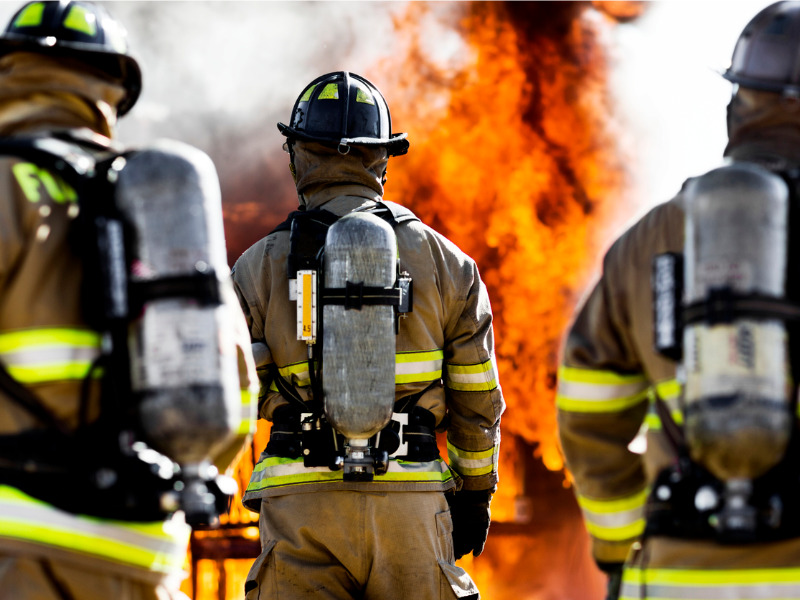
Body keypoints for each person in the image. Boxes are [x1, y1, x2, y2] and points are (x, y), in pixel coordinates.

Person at [0, 2, 256, 599]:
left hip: (17, 551)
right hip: (146, 559)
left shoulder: (5, 183)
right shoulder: (157, 204)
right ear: (112, 89)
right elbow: (236, 396)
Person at [556, 2, 800, 599]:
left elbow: (589, 413)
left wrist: (619, 546)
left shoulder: (649, 240)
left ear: (739, 103)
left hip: (679, 575)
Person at [232, 71, 504, 600]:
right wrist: (474, 495)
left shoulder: (255, 267)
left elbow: (230, 395)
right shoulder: (449, 264)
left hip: (300, 510)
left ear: (299, 155)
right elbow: (477, 399)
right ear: (381, 158)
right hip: (411, 506)